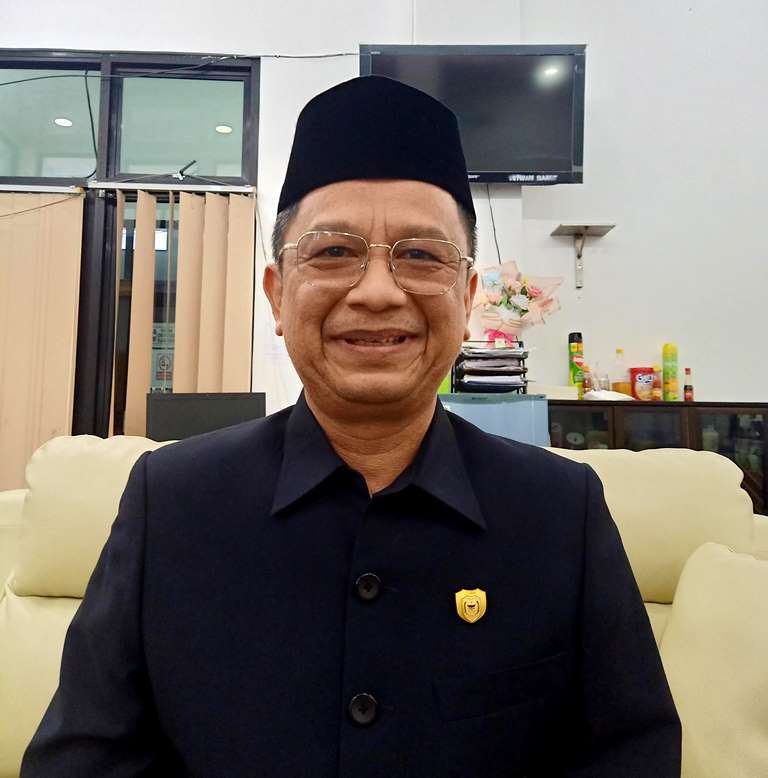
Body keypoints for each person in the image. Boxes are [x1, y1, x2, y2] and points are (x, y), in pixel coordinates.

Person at [22, 76, 680, 777]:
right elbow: (83, 760)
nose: (377, 292)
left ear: (467, 298)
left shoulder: (561, 514)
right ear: (279, 295)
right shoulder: (172, 501)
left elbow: (629, 756)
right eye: (333, 252)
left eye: (421, 254)